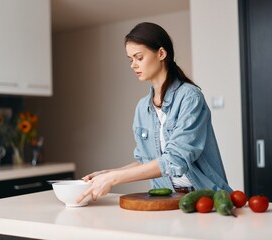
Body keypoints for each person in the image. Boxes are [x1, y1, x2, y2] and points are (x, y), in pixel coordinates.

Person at [77, 22, 232, 204]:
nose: (133, 65)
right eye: (130, 60)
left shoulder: (190, 97)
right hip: (166, 200)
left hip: (206, 200)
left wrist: (113, 179)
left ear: (161, 53)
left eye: (139, 57)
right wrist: (110, 173)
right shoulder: (143, 107)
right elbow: (147, 161)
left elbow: (176, 159)